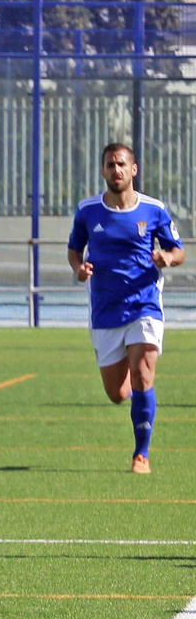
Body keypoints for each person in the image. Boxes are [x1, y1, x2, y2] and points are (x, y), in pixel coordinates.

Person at [68, 143, 184, 474]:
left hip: (144, 303)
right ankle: (134, 389)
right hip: (105, 310)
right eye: (110, 165)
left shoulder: (154, 210)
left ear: (133, 170)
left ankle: (141, 455)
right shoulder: (88, 211)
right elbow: (74, 249)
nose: (116, 170)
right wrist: (79, 269)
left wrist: (167, 257)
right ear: (102, 171)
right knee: (117, 394)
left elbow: (179, 251)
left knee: (144, 376)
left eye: (121, 164)